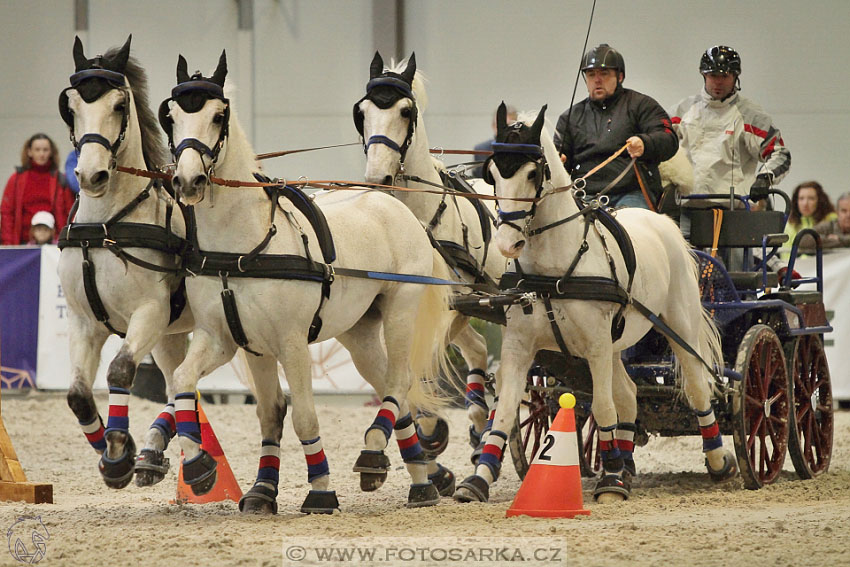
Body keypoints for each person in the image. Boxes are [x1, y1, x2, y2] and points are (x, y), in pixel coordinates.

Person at [554, 43, 678, 209]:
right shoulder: (570, 117)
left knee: (630, 227)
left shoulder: (642, 104)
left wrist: (645, 143)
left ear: (620, 77)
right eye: (591, 74)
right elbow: (559, 158)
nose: (597, 80)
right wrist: (557, 161)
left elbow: (669, 138)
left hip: (631, 192)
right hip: (584, 195)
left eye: (604, 73)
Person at [670, 46, 791, 203]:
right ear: (703, 75)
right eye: (713, 75)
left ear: (735, 77)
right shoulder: (682, 111)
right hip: (686, 207)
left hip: (734, 210)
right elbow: (660, 145)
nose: (719, 82)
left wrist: (765, 177)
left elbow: (780, 154)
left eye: (725, 76)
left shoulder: (751, 116)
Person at [1, 133, 75, 245]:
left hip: (54, 246)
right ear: (29, 152)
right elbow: (7, 213)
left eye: (45, 150)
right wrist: (9, 245)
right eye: (37, 150)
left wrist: (67, 242)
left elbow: (70, 213)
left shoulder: (61, 180)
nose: (41, 154)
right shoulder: (16, 180)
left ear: (51, 152)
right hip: (23, 244)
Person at [785, 182, 838, 249]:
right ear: (796, 201)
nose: (805, 203)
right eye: (801, 198)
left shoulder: (832, 220)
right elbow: (786, 255)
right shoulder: (790, 224)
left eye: (811, 198)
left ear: (820, 200)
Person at [472, 105, 517, 178]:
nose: (502, 130)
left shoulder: (523, 150)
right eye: (499, 125)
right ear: (493, 126)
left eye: (508, 125)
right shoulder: (481, 149)